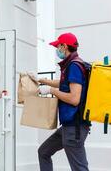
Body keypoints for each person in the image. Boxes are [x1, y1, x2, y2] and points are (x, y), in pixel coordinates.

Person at [36, 33, 91, 171]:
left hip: (74, 128)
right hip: (68, 126)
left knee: (80, 168)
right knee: (43, 152)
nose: (57, 49)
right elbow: (63, 84)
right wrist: (41, 80)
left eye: (57, 46)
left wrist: (51, 90)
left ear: (64, 46)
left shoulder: (74, 66)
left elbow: (74, 99)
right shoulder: (71, 65)